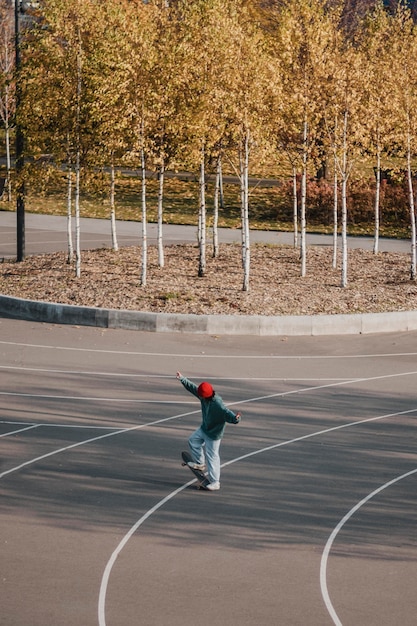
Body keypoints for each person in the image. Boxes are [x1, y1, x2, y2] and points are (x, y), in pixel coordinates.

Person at [176, 371, 241, 491]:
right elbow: (193, 388)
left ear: (206, 395)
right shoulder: (204, 396)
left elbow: (228, 414)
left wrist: (236, 419)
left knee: (212, 456)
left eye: (201, 396)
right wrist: (182, 379)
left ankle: (215, 482)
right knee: (193, 440)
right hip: (204, 428)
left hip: (214, 435)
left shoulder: (218, 405)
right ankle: (200, 463)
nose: (199, 397)